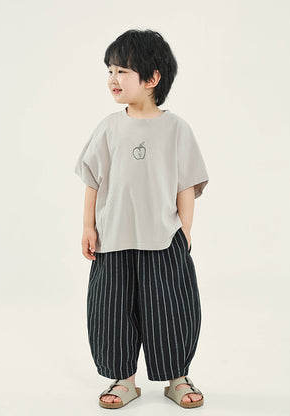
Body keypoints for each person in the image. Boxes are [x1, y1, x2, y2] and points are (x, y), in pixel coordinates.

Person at [74, 29, 209, 409]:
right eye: (110, 70)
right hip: (113, 238)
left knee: (173, 309)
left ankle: (177, 377)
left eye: (122, 71)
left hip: (163, 237)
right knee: (111, 311)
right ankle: (123, 380)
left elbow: (186, 183)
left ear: (152, 78)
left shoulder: (176, 128)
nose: (112, 79)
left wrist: (184, 231)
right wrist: (88, 226)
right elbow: (93, 180)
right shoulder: (109, 127)